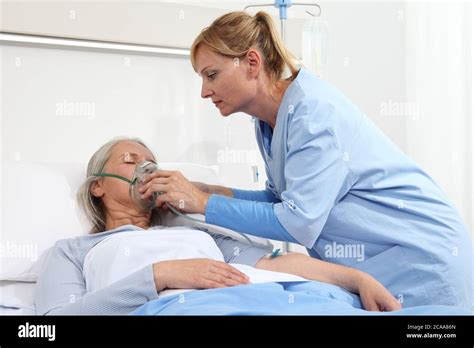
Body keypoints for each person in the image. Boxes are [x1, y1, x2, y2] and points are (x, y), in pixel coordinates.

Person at [140, 11, 473, 308]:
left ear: (252, 63)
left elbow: (298, 222)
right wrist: (210, 190)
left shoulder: (312, 113)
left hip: (421, 259)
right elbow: (279, 200)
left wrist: (201, 202)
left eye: (211, 75)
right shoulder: (267, 122)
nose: (203, 91)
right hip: (378, 267)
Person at [35, 137, 400, 315]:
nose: (147, 169)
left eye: (152, 163)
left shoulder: (195, 231)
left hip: (268, 303)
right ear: (97, 185)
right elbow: (51, 326)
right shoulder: (73, 251)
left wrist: (356, 279)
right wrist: (160, 275)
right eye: (132, 161)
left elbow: (274, 265)